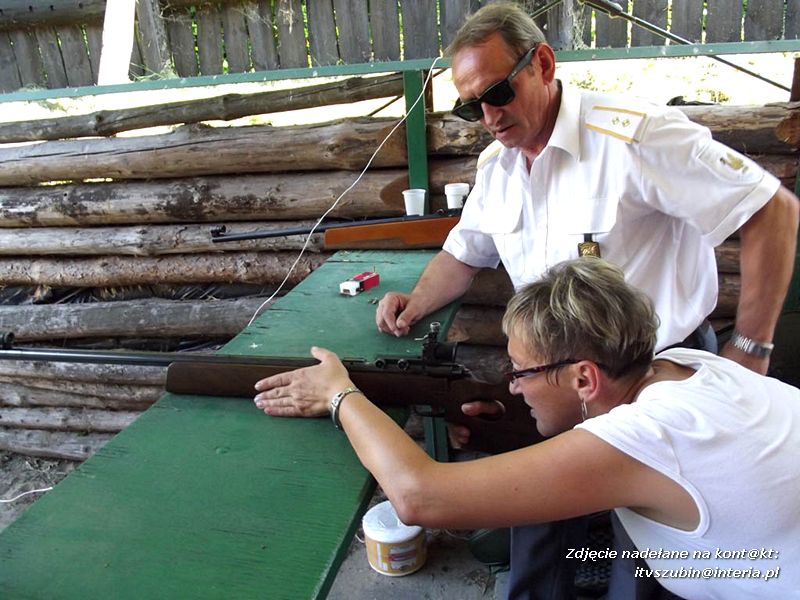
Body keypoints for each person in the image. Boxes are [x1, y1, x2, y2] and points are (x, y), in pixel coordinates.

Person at [372, 3, 799, 598]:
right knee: (536, 537)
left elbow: (772, 208)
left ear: (542, 63)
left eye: (498, 92)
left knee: (649, 564)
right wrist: (416, 302)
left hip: (650, 378)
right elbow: (466, 252)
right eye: (471, 106)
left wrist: (750, 350)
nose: (488, 117)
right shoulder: (498, 164)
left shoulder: (636, 135)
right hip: (555, 380)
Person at [253, 258, 800, 600]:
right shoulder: (689, 365)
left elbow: (420, 497)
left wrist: (339, 394)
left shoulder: (650, 436)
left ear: (584, 376)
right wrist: (509, 427)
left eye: (522, 373)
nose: (513, 386)